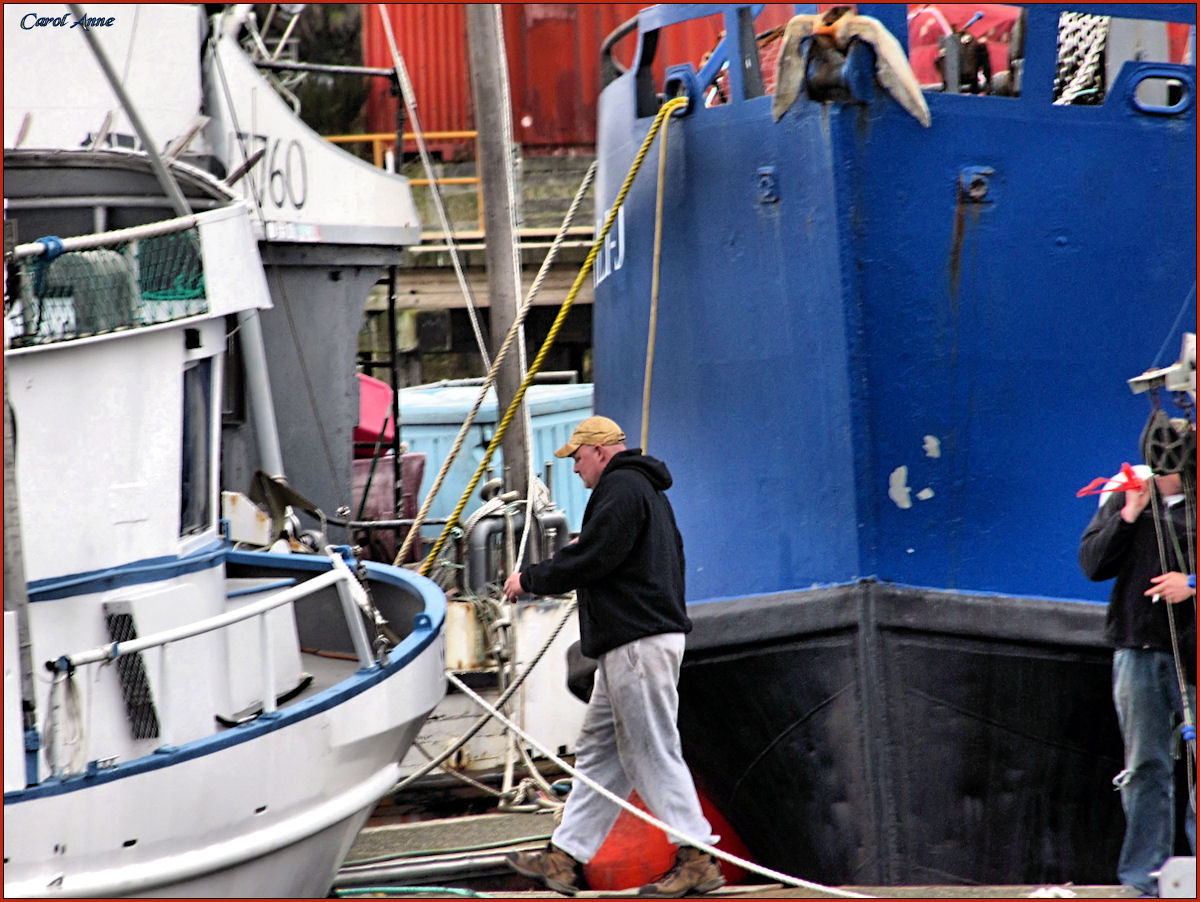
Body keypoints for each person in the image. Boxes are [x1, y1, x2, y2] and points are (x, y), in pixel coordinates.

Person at [501, 415, 725, 898]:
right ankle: (566, 856)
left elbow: (595, 558)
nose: (576, 470)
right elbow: (615, 552)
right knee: (602, 752)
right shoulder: (644, 494)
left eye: (578, 459)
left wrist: (532, 578)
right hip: (631, 642)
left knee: (650, 749)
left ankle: (696, 856)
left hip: (636, 643)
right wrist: (591, 546)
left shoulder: (621, 489)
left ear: (600, 451)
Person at [1079, 459, 1196, 897]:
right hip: (1138, 647)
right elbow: (1092, 564)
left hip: (1193, 653)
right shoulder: (1125, 491)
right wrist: (1129, 513)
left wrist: (1192, 582)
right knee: (1146, 764)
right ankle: (1143, 877)